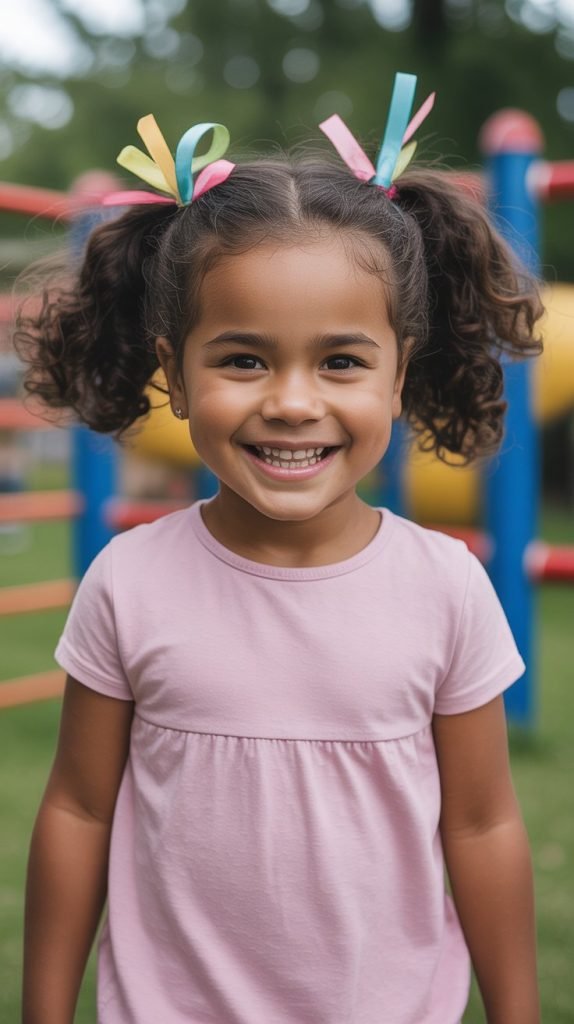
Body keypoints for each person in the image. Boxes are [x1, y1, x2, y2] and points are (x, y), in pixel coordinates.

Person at [18, 76, 542, 1024]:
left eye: (341, 361)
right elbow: (79, 811)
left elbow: (483, 822)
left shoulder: (446, 588)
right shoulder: (128, 582)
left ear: (397, 375)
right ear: (174, 373)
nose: (293, 401)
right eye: (244, 358)